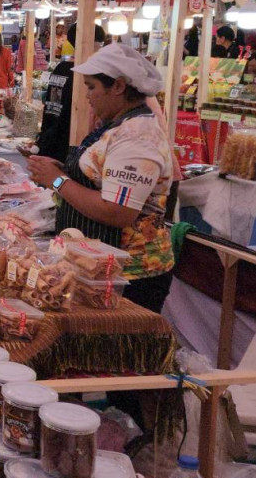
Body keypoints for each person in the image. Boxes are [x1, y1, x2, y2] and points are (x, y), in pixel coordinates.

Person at [26, 43, 175, 313]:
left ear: (118, 86)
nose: (87, 96)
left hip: (130, 273)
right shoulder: (117, 126)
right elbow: (102, 178)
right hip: (97, 265)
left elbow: (117, 211)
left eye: (92, 87)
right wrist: (64, 171)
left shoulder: (137, 137)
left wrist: (58, 181)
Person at [33, 23, 105, 163]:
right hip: (71, 144)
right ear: (92, 43)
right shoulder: (85, 74)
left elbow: (50, 106)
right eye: (100, 44)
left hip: (51, 141)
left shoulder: (60, 68)